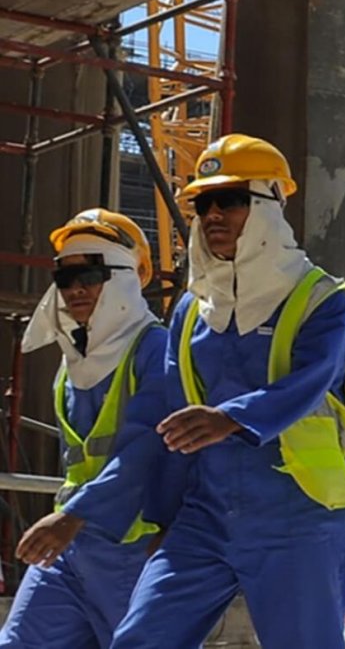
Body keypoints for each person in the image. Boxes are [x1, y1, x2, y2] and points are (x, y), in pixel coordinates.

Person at [110, 134, 345, 649]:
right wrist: (162, 515)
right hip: (204, 514)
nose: (214, 214)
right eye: (204, 204)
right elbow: (176, 419)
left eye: (232, 200)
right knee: (140, 640)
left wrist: (233, 418)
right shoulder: (189, 311)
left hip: (297, 515)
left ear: (271, 204)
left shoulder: (321, 299)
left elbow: (311, 381)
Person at [0, 210, 167, 648]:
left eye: (90, 273)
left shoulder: (155, 350)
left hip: (133, 550)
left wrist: (74, 517)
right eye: (66, 276)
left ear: (124, 279)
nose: (75, 288)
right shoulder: (70, 366)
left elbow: (147, 450)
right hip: (71, 546)